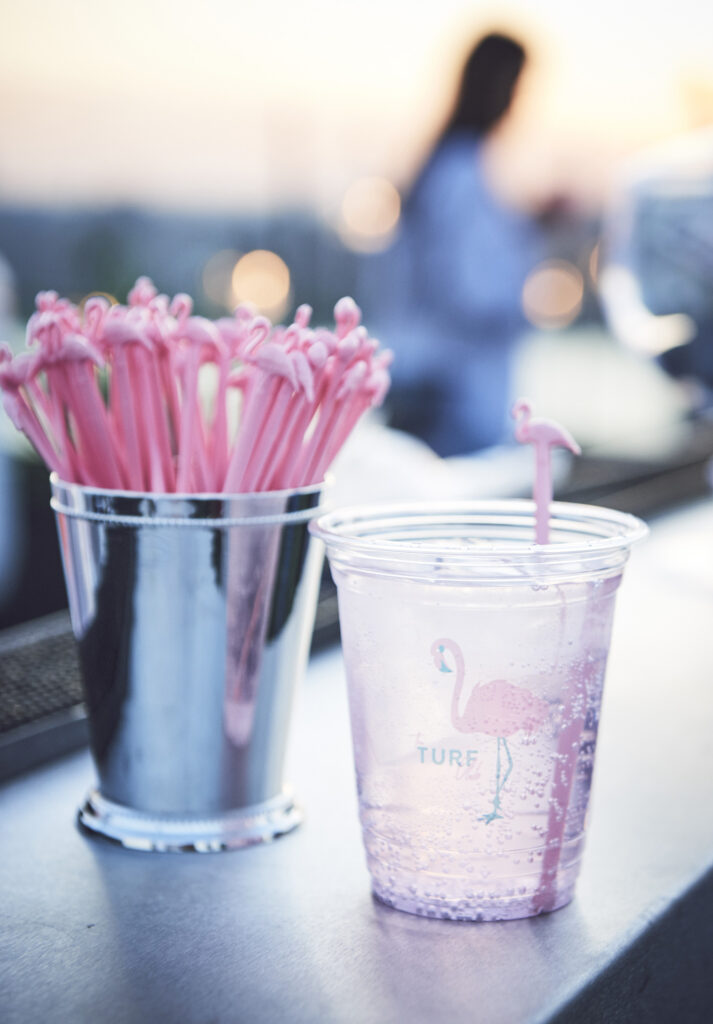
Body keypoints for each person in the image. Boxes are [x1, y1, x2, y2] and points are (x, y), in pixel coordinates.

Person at [376, 32, 541, 456]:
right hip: (452, 400)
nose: (515, 101)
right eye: (513, 85)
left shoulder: (448, 168)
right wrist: (523, 305)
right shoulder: (459, 175)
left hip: (443, 391)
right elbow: (470, 293)